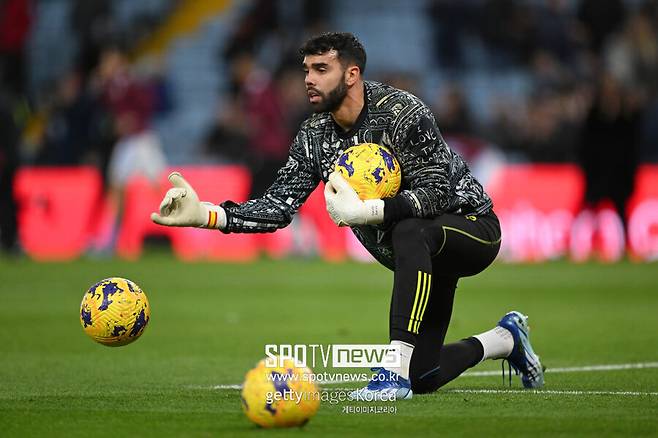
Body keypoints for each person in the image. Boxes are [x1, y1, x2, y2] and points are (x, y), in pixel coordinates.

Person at [151, 32, 544, 400]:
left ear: (352, 74)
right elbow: (278, 208)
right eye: (306, 69)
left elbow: (438, 192)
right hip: (418, 257)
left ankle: (391, 369)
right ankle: (505, 339)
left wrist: (370, 210)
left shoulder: (401, 112)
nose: (309, 79)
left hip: (471, 229)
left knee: (409, 231)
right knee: (424, 377)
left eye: (321, 69)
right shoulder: (313, 135)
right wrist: (205, 214)